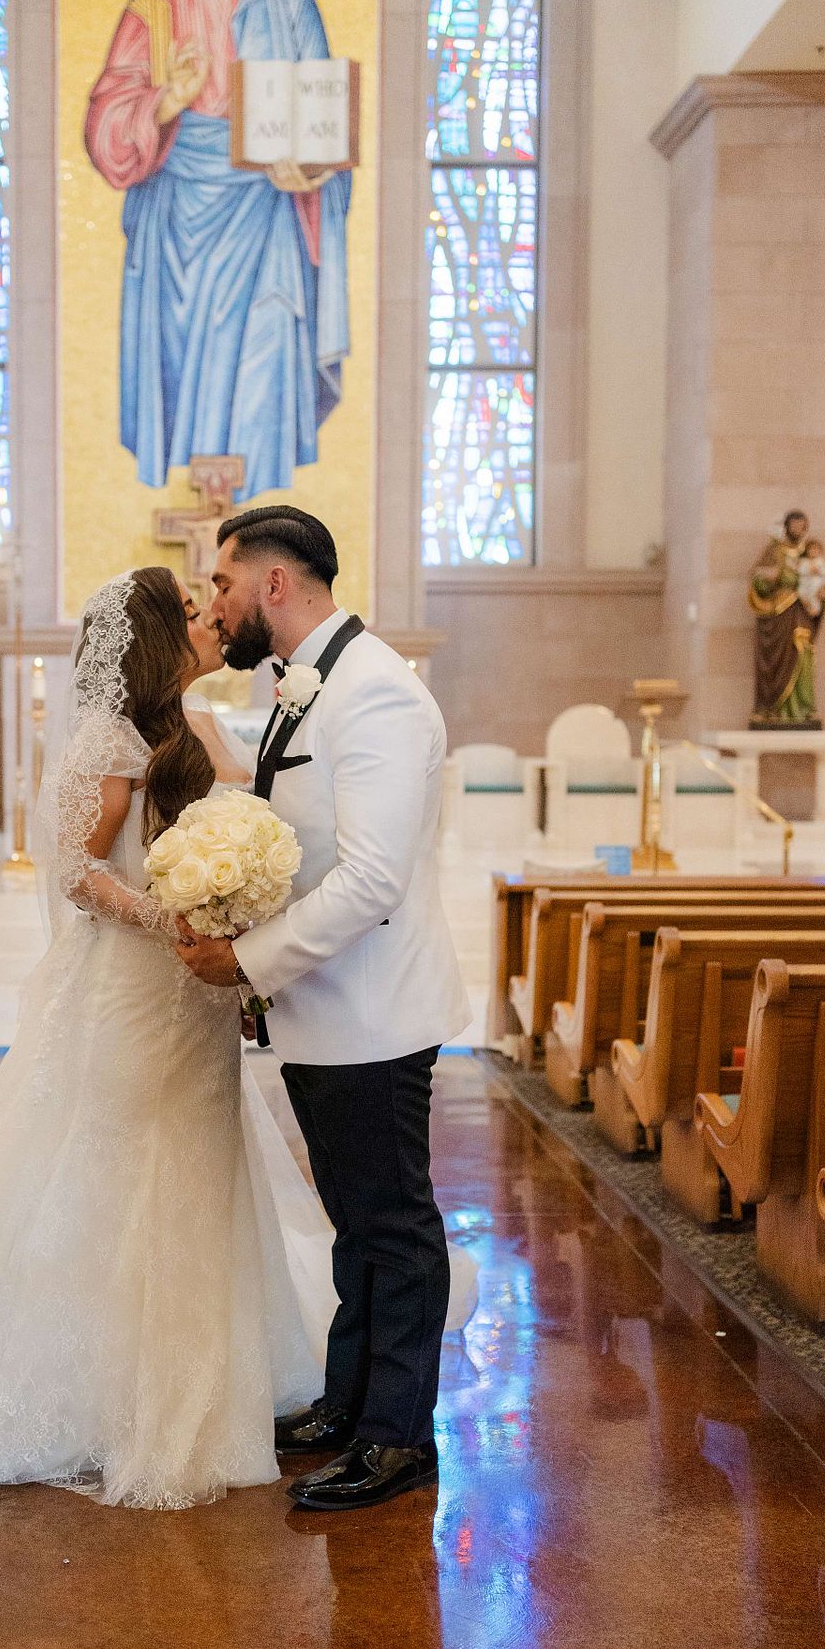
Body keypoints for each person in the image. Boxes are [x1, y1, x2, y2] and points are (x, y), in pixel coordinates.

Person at [0, 566, 477, 1508]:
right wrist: (176, 918)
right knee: (125, 1167)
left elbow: (279, 827)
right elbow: (79, 873)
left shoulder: (196, 725)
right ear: (158, 640)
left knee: (208, 1173)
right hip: (141, 988)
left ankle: (236, 1384)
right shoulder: (112, 734)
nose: (214, 616)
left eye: (222, 595)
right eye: (197, 609)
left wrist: (242, 906)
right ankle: (117, 1389)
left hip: (206, 997)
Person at [177, 506, 471, 1511]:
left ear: (271, 584)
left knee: (393, 1224)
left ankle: (398, 1437)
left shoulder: (378, 693)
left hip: (374, 1012)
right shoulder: (312, 681)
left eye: (222, 583)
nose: (215, 604)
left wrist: (248, 961)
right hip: (328, 1008)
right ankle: (348, 1402)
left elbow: (374, 881)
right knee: (356, 1221)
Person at [84, 0, 350, 499]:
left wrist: (308, 171)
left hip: (265, 216)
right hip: (177, 222)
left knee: (265, 355)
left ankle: (259, 514)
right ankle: (202, 509)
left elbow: (324, 118)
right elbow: (105, 127)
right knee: (179, 379)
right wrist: (166, 101)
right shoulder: (153, 6)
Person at [749, 510, 825, 727]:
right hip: (777, 615)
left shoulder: (809, 554)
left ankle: (803, 708)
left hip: (801, 611)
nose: (797, 529)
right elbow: (756, 579)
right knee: (774, 659)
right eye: (793, 525)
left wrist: (822, 595)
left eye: (801, 525)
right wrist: (770, 578)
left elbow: (820, 581)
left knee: (802, 651)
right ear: (786, 526)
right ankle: (771, 710)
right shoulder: (774, 550)